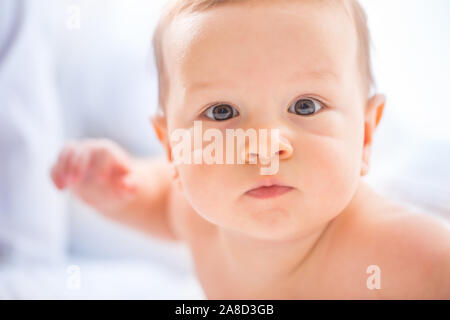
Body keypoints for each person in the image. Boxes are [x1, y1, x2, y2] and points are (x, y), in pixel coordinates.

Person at [50, 0, 450, 299]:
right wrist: (122, 185)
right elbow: (159, 202)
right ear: (173, 148)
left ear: (364, 136)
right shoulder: (197, 215)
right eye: (222, 112)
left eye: (305, 106)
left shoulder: (402, 256)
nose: (263, 149)